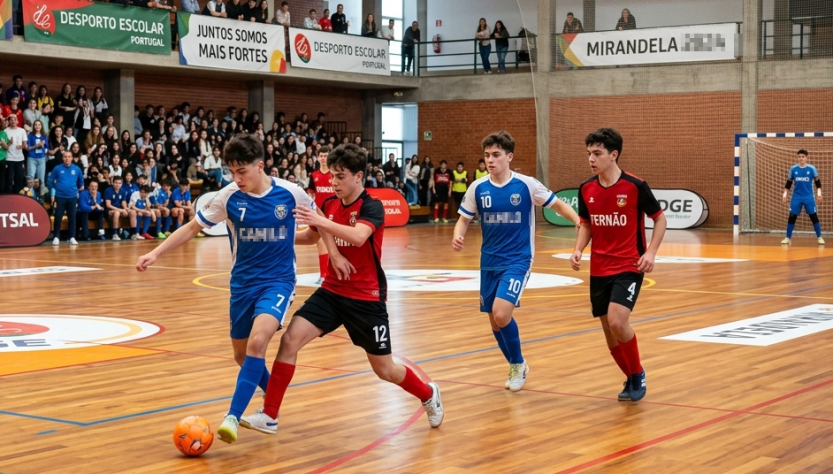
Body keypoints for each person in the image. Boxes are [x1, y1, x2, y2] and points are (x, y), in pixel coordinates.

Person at [239, 143, 444, 436]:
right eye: (332, 176)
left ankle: (427, 393)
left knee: (385, 369)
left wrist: (320, 221)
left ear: (358, 176)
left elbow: (359, 236)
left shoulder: (372, 206)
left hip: (366, 298)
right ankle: (270, 415)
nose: (333, 182)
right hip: (332, 293)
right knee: (290, 341)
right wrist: (273, 235)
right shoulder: (329, 205)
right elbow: (310, 237)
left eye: (340, 176)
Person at [136, 134, 318, 444]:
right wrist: (156, 253)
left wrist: (312, 246)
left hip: (278, 281)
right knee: (241, 354)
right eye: (232, 172)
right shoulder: (228, 196)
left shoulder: (292, 193)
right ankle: (272, 395)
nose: (237, 178)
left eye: (242, 171)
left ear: (260, 166)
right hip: (242, 285)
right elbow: (192, 227)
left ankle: (232, 417)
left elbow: (315, 232)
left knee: (257, 343)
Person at [453, 131, 579, 391]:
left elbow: (557, 205)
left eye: (496, 155)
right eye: (487, 155)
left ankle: (518, 364)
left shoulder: (526, 185)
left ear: (509, 157)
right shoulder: (478, 188)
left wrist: (578, 221)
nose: (490, 160)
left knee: (501, 314)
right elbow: (464, 218)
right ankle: (516, 364)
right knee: (494, 320)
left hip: (518, 260)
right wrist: (458, 235)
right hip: (489, 261)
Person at [570, 128, 666, 402]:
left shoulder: (635, 186)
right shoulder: (586, 188)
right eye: (589, 153)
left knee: (617, 321)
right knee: (609, 330)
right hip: (599, 268)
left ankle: (637, 374)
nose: (591, 158)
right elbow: (586, 224)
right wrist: (578, 249)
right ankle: (631, 376)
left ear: (613, 155)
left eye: (597, 153)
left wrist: (651, 253)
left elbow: (660, 219)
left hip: (629, 265)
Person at [782, 149, 824, 245]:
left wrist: (819, 194)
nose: (801, 158)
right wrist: (784, 195)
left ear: (806, 158)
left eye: (803, 157)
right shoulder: (793, 169)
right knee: (792, 216)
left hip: (808, 197)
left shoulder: (812, 169)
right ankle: (787, 238)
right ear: (797, 158)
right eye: (799, 157)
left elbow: (818, 183)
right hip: (796, 197)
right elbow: (788, 183)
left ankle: (819, 237)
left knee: (813, 216)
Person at [307, 146, 334, 284]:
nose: (323, 158)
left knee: (337, 243)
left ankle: (335, 273)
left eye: (326, 155)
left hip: (334, 212)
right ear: (317, 158)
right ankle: (324, 275)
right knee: (321, 242)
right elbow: (310, 194)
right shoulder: (314, 175)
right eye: (321, 155)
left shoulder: (334, 174)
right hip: (319, 214)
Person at [49, 150, 85, 246]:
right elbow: (50, 181)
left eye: (69, 157)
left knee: (72, 218)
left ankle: (72, 237)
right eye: (65, 156)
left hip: (72, 197)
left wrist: (77, 191)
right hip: (59, 197)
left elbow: (81, 183)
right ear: (62, 158)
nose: (67, 158)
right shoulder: (57, 168)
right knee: (58, 217)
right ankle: (56, 237)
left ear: (72, 158)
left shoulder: (77, 169)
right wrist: (52, 193)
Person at [5, 114, 28, 194]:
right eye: (11, 120)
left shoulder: (22, 131)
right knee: (9, 179)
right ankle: (8, 195)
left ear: (17, 121)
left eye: (15, 119)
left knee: (19, 178)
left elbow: (25, 145)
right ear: (8, 121)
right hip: (9, 158)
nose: (13, 121)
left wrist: (21, 146)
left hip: (19, 158)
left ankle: (18, 195)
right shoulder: (5, 131)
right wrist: (9, 143)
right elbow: (4, 147)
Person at [104, 175, 130, 240]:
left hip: (120, 209)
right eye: (116, 183)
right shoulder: (108, 190)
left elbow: (123, 202)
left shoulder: (123, 191)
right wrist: (121, 210)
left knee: (132, 212)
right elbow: (108, 205)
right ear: (113, 183)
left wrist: (125, 209)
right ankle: (115, 234)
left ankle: (135, 233)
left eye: (119, 183)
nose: (117, 185)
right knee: (117, 213)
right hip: (109, 210)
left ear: (122, 184)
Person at [27, 120, 48, 185]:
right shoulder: (30, 135)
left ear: (41, 126)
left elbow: (46, 147)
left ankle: (41, 191)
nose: (37, 126)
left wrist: (45, 150)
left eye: (39, 125)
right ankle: (30, 191)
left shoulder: (44, 136)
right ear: (33, 126)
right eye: (35, 125)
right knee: (30, 178)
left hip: (41, 158)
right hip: (32, 158)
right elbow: (28, 147)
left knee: (41, 179)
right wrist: (37, 146)